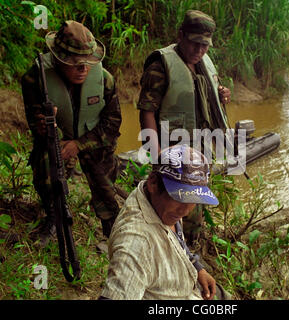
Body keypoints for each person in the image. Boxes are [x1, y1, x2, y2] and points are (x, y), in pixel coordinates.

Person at [21, 21, 122, 247]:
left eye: (86, 63)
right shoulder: (35, 78)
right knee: (46, 160)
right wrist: (48, 125)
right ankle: (54, 216)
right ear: (58, 59)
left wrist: (79, 144)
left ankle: (112, 227)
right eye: (75, 64)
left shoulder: (104, 79)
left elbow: (113, 123)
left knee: (106, 188)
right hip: (58, 141)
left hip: (93, 138)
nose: (82, 69)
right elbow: (34, 125)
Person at [137, 10, 232, 242]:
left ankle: (191, 249)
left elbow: (201, 98)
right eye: (194, 43)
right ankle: (162, 248)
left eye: (205, 46)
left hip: (199, 150)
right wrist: (156, 154)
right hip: (172, 153)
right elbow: (147, 111)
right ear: (181, 35)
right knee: (168, 205)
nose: (199, 50)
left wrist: (222, 95)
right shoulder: (161, 66)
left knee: (194, 204)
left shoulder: (202, 64)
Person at [99, 144, 231, 300]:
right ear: (154, 183)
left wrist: (197, 268)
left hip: (185, 285)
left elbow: (175, 239)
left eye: (194, 199)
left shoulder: (157, 203)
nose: (186, 210)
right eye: (180, 197)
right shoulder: (137, 244)